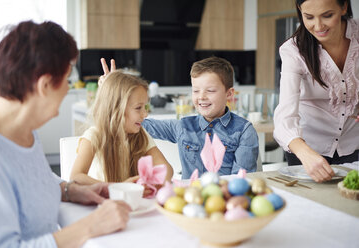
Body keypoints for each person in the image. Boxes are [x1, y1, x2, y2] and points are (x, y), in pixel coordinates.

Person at [0, 21, 132, 248]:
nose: (68, 88)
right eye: (66, 79)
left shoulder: (24, 131)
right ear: (44, 85)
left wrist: (70, 190)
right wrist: (90, 226)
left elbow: (31, 181)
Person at [273, 0, 359, 183]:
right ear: (300, 11)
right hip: (307, 151)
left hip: (353, 146)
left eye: (327, 15)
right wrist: (304, 152)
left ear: (343, 7)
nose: (318, 26)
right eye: (309, 17)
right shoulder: (293, 51)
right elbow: (284, 116)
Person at [142, 56, 259, 179]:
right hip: (189, 196)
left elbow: (240, 182)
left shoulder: (245, 131)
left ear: (229, 94)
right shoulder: (183, 126)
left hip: (222, 196)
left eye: (210, 90)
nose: (201, 97)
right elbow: (144, 125)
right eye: (196, 91)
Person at [70, 69, 174, 188]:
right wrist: (117, 187)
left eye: (145, 107)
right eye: (138, 108)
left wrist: (148, 183)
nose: (145, 114)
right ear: (116, 108)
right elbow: (76, 177)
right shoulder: (94, 136)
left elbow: (167, 170)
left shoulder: (141, 134)